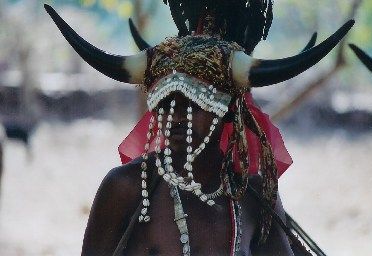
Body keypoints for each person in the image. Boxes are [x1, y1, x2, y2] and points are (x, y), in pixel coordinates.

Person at [45, 1, 354, 255]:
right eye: (165, 104)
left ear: (227, 112)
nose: (175, 117)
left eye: (193, 103)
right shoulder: (125, 188)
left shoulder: (254, 196)